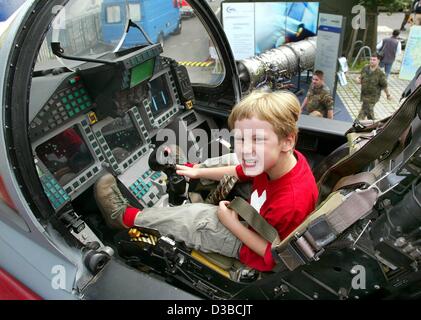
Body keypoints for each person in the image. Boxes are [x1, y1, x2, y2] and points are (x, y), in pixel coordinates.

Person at [95, 90, 319, 272]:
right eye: (240, 138)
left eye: (257, 139)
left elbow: (274, 257)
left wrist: (229, 222)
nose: (246, 149)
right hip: (258, 218)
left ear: (287, 141)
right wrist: (198, 172)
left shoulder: (291, 202)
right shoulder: (279, 161)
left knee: (200, 216)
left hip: (251, 249)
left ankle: (124, 217)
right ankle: (188, 169)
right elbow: (240, 170)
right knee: (233, 159)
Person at [357, 54, 392, 120]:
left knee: (363, 112)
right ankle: (374, 124)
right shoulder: (365, 68)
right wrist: (358, 79)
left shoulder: (380, 73)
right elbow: (360, 76)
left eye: (374, 60)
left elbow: (385, 86)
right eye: (370, 59)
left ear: (378, 61)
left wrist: (388, 95)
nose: (371, 61)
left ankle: (357, 123)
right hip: (364, 95)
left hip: (373, 97)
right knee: (369, 113)